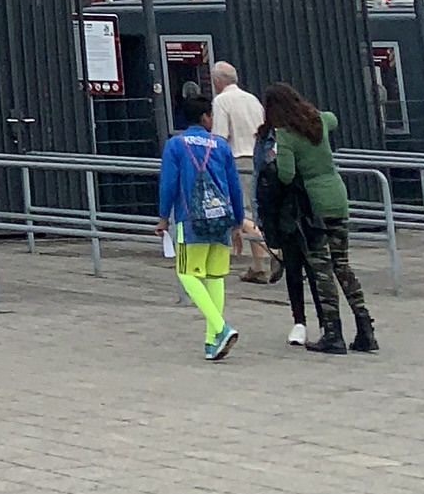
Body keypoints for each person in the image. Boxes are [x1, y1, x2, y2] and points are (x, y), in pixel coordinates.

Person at [260, 86, 373, 356]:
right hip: (337, 195)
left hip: (314, 206)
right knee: (342, 264)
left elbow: (286, 175)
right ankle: (365, 326)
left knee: (321, 269)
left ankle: (333, 334)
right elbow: (332, 117)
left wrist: (275, 159)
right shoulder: (319, 121)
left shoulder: (285, 135)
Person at [156, 81, 242, 362]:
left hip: (190, 218)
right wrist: (238, 219)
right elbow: (234, 184)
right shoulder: (220, 145)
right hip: (220, 218)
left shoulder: (175, 145)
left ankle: (220, 327)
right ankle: (211, 341)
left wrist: (162, 217)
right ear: (206, 118)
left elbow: (168, 183)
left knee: (187, 274)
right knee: (215, 276)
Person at [206, 60, 268, 285]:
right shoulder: (252, 99)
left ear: (217, 81)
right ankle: (259, 266)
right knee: (257, 210)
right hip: (260, 158)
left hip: (237, 159)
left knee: (242, 213)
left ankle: (272, 254)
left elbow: (220, 137)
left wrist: (213, 166)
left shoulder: (221, 101)